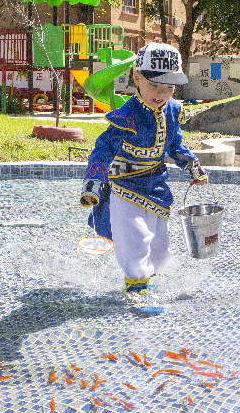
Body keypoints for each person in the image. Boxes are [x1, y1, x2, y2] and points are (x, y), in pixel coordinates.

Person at [80, 42, 208, 312]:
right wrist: (93, 182)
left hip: (157, 186)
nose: (162, 94)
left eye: (169, 88)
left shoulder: (172, 110)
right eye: (155, 86)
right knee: (135, 240)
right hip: (124, 187)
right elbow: (102, 149)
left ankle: (154, 282)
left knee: (161, 247)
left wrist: (190, 164)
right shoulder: (126, 116)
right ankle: (136, 291)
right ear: (136, 77)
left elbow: (175, 144)